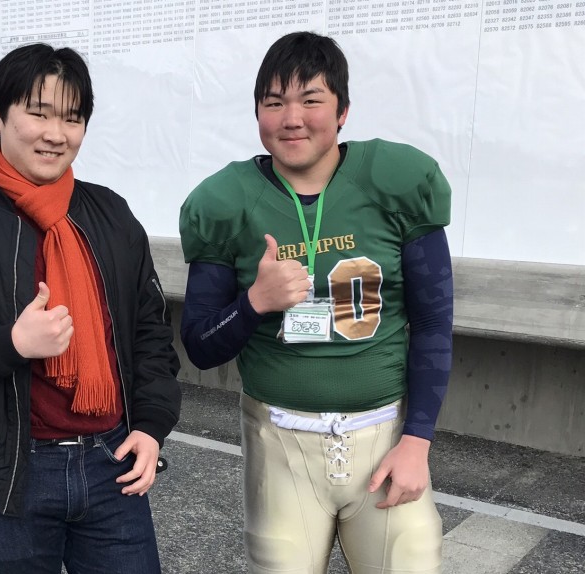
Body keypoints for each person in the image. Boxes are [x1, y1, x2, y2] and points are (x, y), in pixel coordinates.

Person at [0, 43, 181, 573]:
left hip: (112, 461)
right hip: (9, 471)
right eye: (38, 113)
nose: (56, 133)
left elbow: (150, 332)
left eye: (72, 118)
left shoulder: (109, 214)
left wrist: (153, 425)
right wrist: (11, 343)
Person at [179, 32, 453, 573]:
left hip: (385, 436)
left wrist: (417, 441)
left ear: (343, 110)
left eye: (311, 100)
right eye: (274, 102)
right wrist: (254, 302)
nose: (292, 119)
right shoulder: (225, 201)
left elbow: (432, 322)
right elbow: (200, 346)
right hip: (280, 443)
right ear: (257, 111)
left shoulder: (395, 182)